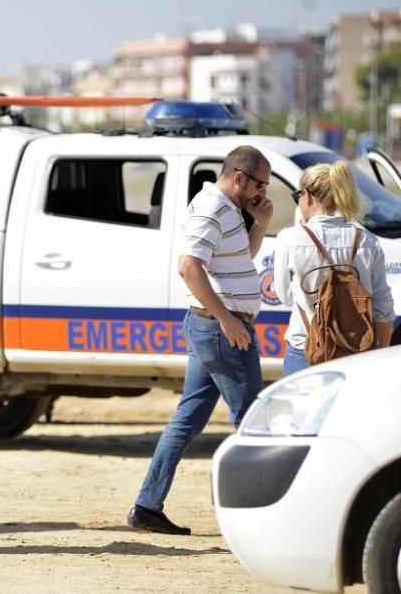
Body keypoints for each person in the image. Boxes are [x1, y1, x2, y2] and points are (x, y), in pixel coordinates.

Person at [128, 145, 273, 535]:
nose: (263, 192)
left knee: (187, 421)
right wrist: (228, 320)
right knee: (251, 422)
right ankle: (255, 516)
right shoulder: (214, 207)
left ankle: (147, 505)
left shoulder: (225, 208)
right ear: (239, 177)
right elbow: (188, 267)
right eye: (260, 185)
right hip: (221, 330)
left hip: (211, 326)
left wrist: (258, 224)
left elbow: (238, 263)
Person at [274, 161, 394, 375]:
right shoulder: (366, 240)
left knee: (302, 410)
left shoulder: (289, 239)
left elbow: (285, 297)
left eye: (297, 197)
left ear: (308, 196)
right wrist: (379, 355)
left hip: (305, 349)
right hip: (356, 352)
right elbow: (383, 308)